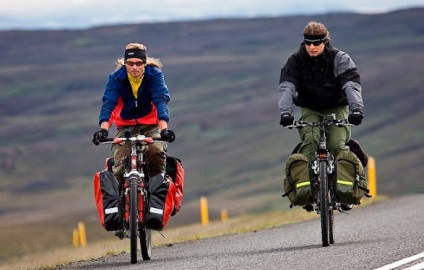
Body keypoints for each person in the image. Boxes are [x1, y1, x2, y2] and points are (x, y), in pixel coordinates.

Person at [278, 21, 364, 211]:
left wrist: (356, 109)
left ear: (326, 41)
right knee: (309, 143)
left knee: (336, 145)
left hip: (336, 107)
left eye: (316, 43)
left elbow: (351, 85)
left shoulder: (339, 58)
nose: (312, 47)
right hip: (310, 109)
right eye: (308, 43)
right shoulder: (296, 61)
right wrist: (285, 112)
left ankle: (345, 193)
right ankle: (307, 193)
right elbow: (287, 87)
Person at [92, 42, 174, 182]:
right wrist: (103, 130)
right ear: (124, 64)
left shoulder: (154, 75)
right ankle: (121, 200)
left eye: (138, 63)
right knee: (120, 165)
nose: (134, 67)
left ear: (144, 63)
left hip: (151, 126)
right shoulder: (116, 78)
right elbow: (109, 104)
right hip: (126, 127)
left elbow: (160, 101)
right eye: (130, 63)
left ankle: (157, 193)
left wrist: (164, 129)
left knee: (155, 152)